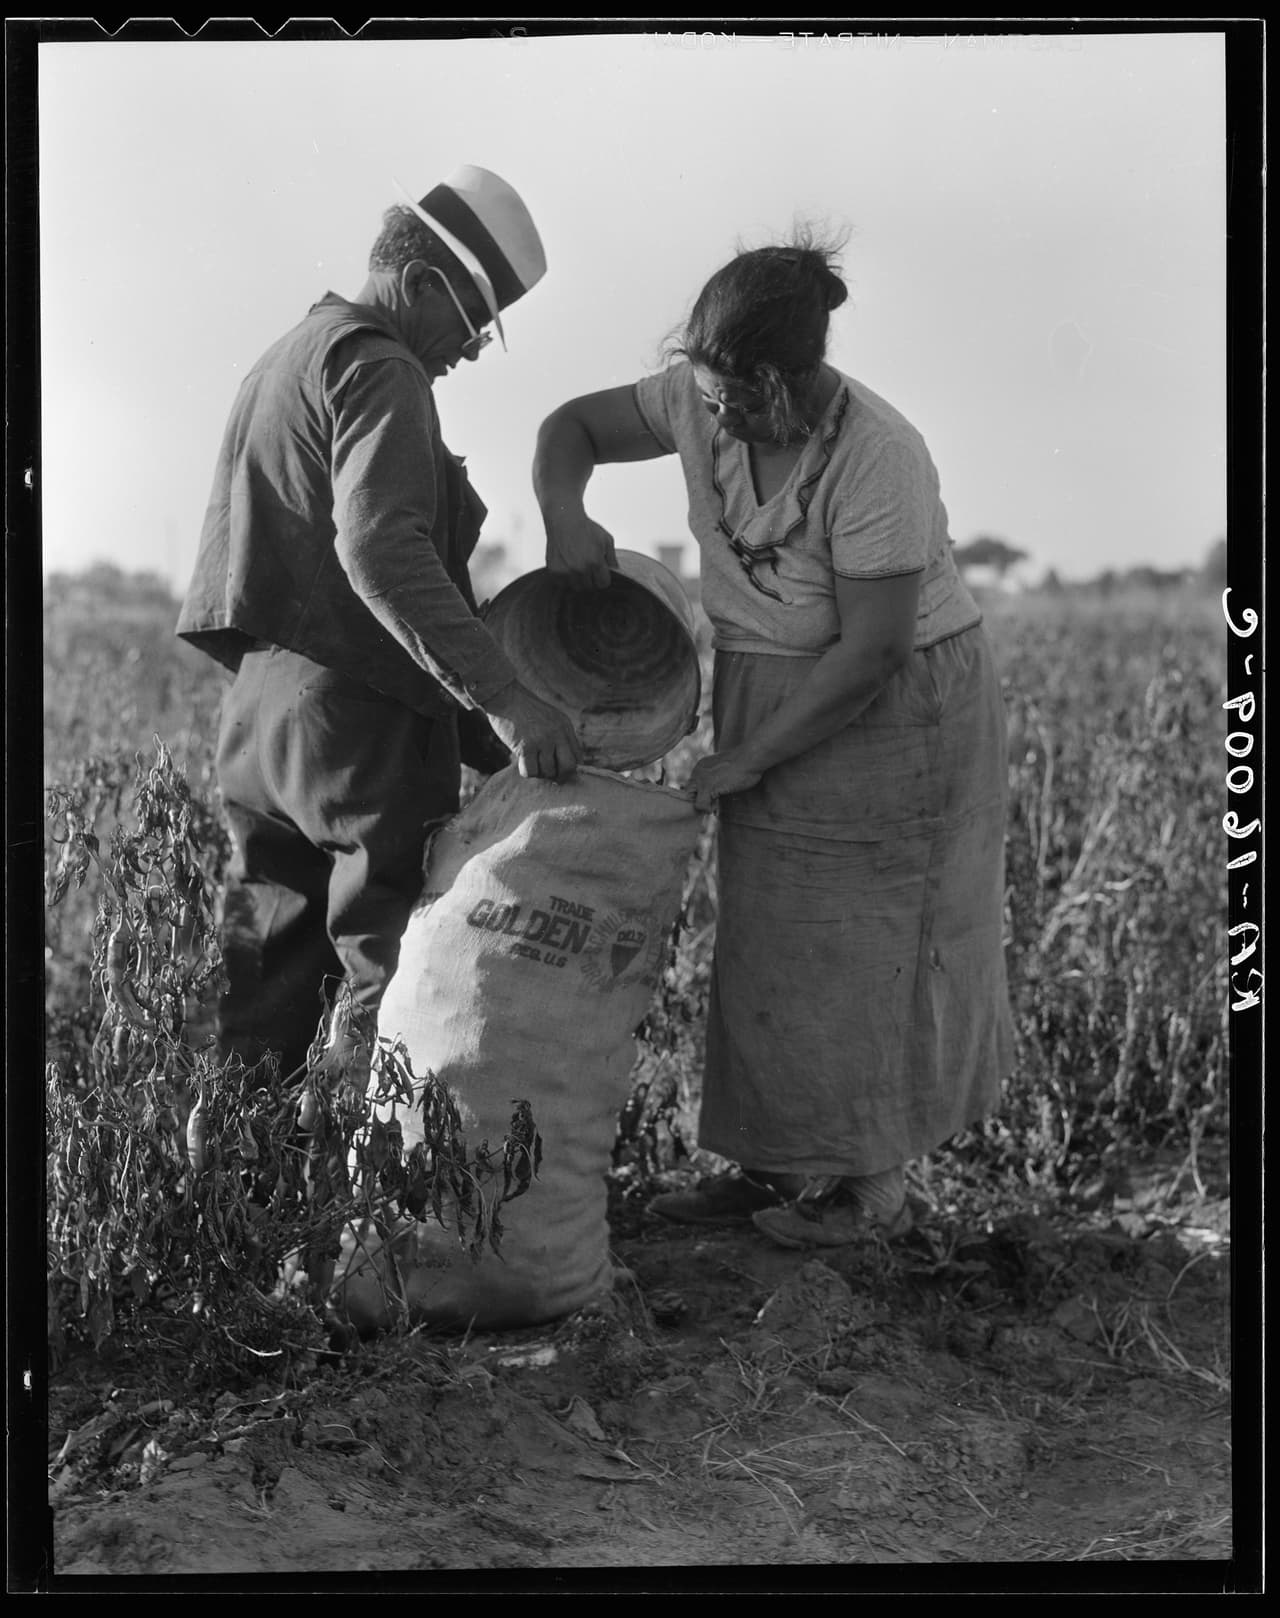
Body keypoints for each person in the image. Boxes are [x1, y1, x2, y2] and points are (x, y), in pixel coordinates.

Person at [532, 231, 1014, 1247]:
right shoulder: (696, 399)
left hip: (894, 706)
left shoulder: (876, 455)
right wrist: (562, 514)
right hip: (770, 679)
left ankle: (866, 1192)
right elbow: (568, 427)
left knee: (868, 941)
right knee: (768, 936)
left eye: (741, 403)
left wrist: (749, 756)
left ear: (793, 380)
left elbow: (873, 648)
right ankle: (767, 1167)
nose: (721, 421)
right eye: (707, 400)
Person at [178, 165, 581, 1084]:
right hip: (357, 725)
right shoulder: (383, 365)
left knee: (264, 975)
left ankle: (229, 1198)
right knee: (384, 966)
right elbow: (381, 549)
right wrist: (510, 698)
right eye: (475, 320)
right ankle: (355, 1212)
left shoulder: (290, 353)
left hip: (261, 722)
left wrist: (484, 736)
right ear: (421, 281)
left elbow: (253, 567)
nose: (473, 349)